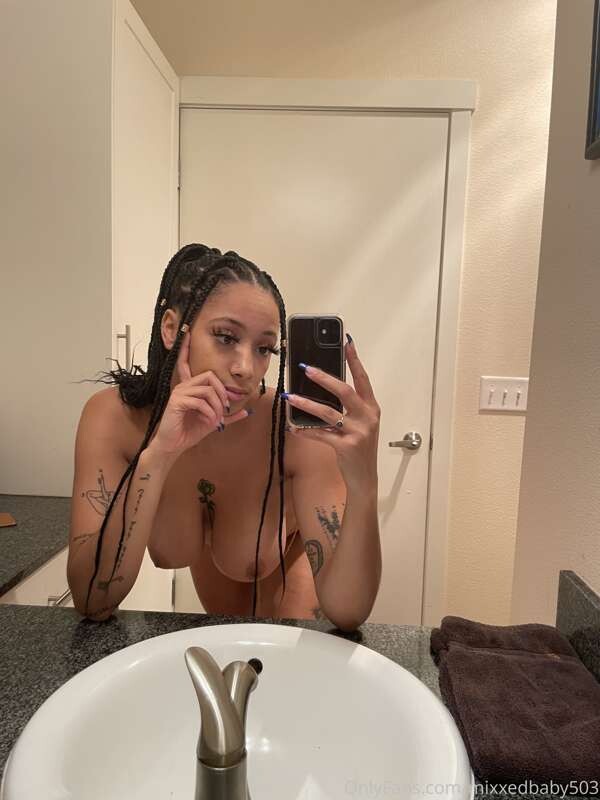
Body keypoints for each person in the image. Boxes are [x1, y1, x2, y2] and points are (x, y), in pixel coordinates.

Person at [67, 244, 382, 631]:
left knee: (287, 655)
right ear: (171, 329)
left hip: (292, 562)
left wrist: (365, 482)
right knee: (229, 641)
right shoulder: (114, 419)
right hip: (221, 577)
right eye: (226, 337)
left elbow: (349, 613)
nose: (246, 368)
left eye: (264, 348)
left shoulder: (293, 432)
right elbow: (92, 601)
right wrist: (158, 456)